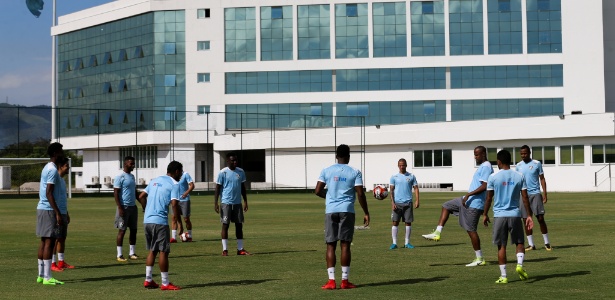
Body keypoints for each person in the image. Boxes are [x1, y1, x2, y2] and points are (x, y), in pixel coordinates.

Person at [422, 146, 493, 267]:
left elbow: (485, 186)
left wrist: (469, 194)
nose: (475, 157)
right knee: (447, 205)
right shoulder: (482, 166)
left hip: (475, 203)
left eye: (477, 154)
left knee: (471, 230)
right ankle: (437, 232)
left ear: (483, 154)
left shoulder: (486, 166)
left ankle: (479, 258)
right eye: (474, 154)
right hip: (468, 200)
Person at [315, 144, 370, 290]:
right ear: (349, 156)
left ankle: (331, 281)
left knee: (330, 244)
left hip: (331, 210)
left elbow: (317, 190)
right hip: (347, 210)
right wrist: (366, 212)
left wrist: (330, 197)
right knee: (345, 245)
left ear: (336, 156)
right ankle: (345, 281)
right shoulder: (355, 172)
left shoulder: (326, 170)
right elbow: (360, 193)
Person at [483, 149, 534, 284]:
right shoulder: (519, 175)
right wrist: (528, 215)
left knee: (502, 246)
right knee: (520, 242)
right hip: (515, 215)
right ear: (510, 161)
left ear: (498, 162)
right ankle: (519, 265)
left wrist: (484, 214)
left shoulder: (493, 177)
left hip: (499, 215)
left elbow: (488, 198)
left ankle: (504, 276)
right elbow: (525, 197)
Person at [138, 161, 183, 290]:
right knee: (163, 251)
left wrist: (146, 209)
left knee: (153, 250)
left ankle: (148, 280)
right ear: (176, 171)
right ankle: (165, 283)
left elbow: (141, 196)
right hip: (160, 222)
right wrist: (179, 223)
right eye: (180, 171)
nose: (181, 175)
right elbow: (174, 204)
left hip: (147, 221)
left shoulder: (154, 180)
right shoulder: (174, 184)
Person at [36, 142, 65, 285]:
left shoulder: (47, 167)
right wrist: (58, 213)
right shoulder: (52, 170)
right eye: (61, 151)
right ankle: (47, 277)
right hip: (48, 209)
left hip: (43, 208)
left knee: (43, 242)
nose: (63, 154)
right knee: (50, 242)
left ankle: (41, 275)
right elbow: (49, 193)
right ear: (55, 153)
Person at [516, 145, 552, 251]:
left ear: (529, 153)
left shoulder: (537, 164)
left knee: (540, 218)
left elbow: (542, 179)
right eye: (521, 153)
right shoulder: (518, 166)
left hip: (535, 194)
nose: (523, 155)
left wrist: (545, 194)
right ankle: (531, 244)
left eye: (525, 153)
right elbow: (518, 181)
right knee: (525, 219)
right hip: (523, 195)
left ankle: (547, 243)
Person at [214, 152, 250, 256]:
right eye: (233, 160)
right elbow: (217, 188)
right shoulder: (222, 173)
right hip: (226, 202)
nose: (235, 162)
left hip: (237, 203)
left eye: (236, 160)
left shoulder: (241, 172)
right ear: (228, 161)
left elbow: (243, 187)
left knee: (239, 225)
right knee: (225, 225)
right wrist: (216, 203)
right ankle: (225, 250)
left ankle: (240, 249)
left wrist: (245, 201)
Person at [114, 156, 145, 262]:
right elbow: (116, 193)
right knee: (122, 231)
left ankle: (132, 253)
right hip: (124, 207)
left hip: (132, 207)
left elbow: (135, 192)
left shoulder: (132, 176)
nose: (133, 165)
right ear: (125, 164)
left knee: (134, 230)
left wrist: (142, 203)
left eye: (133, 163)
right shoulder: (120, 177)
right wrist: (120, 207)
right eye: (131, 163)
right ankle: (119, 254)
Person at [388, 158, 419, 250]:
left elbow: (416, 188)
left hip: (408, 203)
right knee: (395, 222)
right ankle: (394, 243)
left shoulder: (411, 176)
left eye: (403, 165)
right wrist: (392, 202)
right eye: (400, 165)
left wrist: (417, 200)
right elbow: (391, 191)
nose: (402, 166)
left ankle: (407, 243)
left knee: (408, 223)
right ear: (398, 166)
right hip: (397, 203)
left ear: (406, 165)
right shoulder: (394, 177)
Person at [51, 157, 74, 271]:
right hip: (57, 213)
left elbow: (62, 199)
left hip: (63, 212)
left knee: (62, 238)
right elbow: (52, 197)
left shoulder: (63, 181)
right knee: (55, 238)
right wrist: (57, 213)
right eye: (66, 166)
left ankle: (61, 261)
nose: (68, 168)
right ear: (61, 166)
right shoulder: (55, 179)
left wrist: (66, 212)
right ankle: (52, 263)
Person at [171, 172, 195, 243]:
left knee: (186, 219)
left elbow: (192, 185)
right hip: (175, 199)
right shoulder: (172, 176)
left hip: (185, 200)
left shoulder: (185, 175)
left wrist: (186, 193)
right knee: (174, 218)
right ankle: (174, 238)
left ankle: (189, 236)